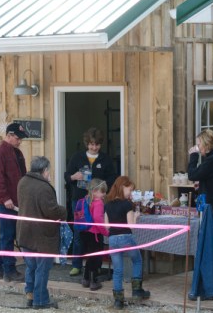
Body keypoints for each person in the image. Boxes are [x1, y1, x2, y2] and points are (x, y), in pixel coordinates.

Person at [64, 127, 117, 277]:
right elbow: (67, 176)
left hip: (99, 201)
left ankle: (96, 265)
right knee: (79, 232)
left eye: (97, 145)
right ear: (87, 143)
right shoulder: (77, 157)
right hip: (80, 201)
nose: (94, 147)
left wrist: (101, 186)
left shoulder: (105, 159)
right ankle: (76, 264)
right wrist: (74, 177)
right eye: (91, 144)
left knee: (97, 233)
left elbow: (113, 178)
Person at [16, 156, 67, 309]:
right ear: (44, 170)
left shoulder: (22, 182)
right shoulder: (44, 187)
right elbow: (52, 211)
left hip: (25, 232)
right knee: (42, 268)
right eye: (48, 170)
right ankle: (41, 300)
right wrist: (64, 211)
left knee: (31, 267)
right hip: (42, 236)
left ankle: (30, 295)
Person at [187, 129, 213, 299]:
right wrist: (205, 185)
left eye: (198, 145)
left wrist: (192, 157)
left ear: (205, 145)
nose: (197, 148)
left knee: (209, 247)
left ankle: (210, 288)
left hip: (212, 209)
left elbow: (192, 174)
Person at [104, 176, 150, 310]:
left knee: (117, 271)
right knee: (137, 260)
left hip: (112, 239)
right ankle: (136, 291)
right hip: (126, 238)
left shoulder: (107, 204)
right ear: (122, 187)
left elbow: (106, 226)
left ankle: (118, 301)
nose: (130, 193)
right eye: (129, 190)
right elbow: (131, 226)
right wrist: (136, 217)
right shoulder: (127, 204)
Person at [0, 122, 28, 282]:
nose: (19, 141)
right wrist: (5, 198)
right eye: (18, 138)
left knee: (6, 236)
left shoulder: (17, 153)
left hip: (15, 201)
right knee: (7, 236)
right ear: (9, 135)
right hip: (5, 203)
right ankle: (9, 270)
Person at [79, 178, 109, 291]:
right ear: (95, 191)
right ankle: (94, 281)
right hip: (95, 234)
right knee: (96, 258)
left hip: (85, 232)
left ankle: (86, 279)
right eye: (103, 191)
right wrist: (106, 232)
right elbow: (98, 219)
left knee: (89, 257)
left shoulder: (86, 199)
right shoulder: (98, 203)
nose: (104, 194)